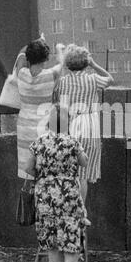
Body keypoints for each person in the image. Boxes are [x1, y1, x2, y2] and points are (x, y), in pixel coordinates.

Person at [25, 105, 89, 262]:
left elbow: (28, 167)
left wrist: (44, 174)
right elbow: (84, 162)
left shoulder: (39, 141)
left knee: (50, 236)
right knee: (71, 231)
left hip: (45, 194)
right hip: (68, 193)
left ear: (49, 121)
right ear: (67, 121)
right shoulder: (72, 141)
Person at [54, 44, 114, 203]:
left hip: (70, 125)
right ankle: (81, 210)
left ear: (68, 64)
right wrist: (94, 65)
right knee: (83, 175)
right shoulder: (93, 79)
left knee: (67, 171)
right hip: (90, 125)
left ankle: (67, 206)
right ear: (85, 63)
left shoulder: (62, 82)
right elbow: (110, 80)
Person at [15, 37, 64, 179]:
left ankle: (30, 199)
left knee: (28, 171)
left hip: (24, 127)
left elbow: (21, 55)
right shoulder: (50, 75)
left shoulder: (22, 73)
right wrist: (59, 50)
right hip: (43, 127)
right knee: (45, 168)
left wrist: (36, 42)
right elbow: (61, 63)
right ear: (46, 58)